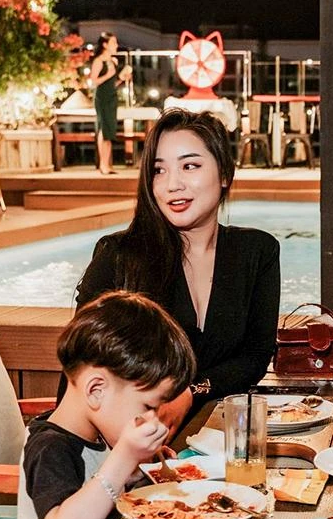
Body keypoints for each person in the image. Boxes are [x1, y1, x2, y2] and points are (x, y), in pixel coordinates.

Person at [74, 108, 280, 426]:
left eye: (190, 166)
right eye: (159, 170)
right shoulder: (119, 255)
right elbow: (81, 370)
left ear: (225, 173)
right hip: (124, 442)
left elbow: (254, 356)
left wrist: (190, 394)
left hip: (215, 436)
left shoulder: (257, 252)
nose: (172, 184)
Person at [18, 291, 194, 519]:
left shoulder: (98, 433)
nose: (155, 419)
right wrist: (124, 456)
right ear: (96, 390)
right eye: (147, 407)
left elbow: (97, 486)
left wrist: (136, 469)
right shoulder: (50, 447)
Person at [88, 32, 130, 175]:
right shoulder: (99, 61)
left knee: (110, 130)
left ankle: (108, 164)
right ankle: (103, 164)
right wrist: (108, 75)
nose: (116, 45)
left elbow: (112, 83)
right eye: (113, 43)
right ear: (105, 45)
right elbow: (94, 81)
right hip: (102, 97)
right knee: (103, 129)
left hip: (112, 96)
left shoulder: (113, 61)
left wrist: (121, 78)